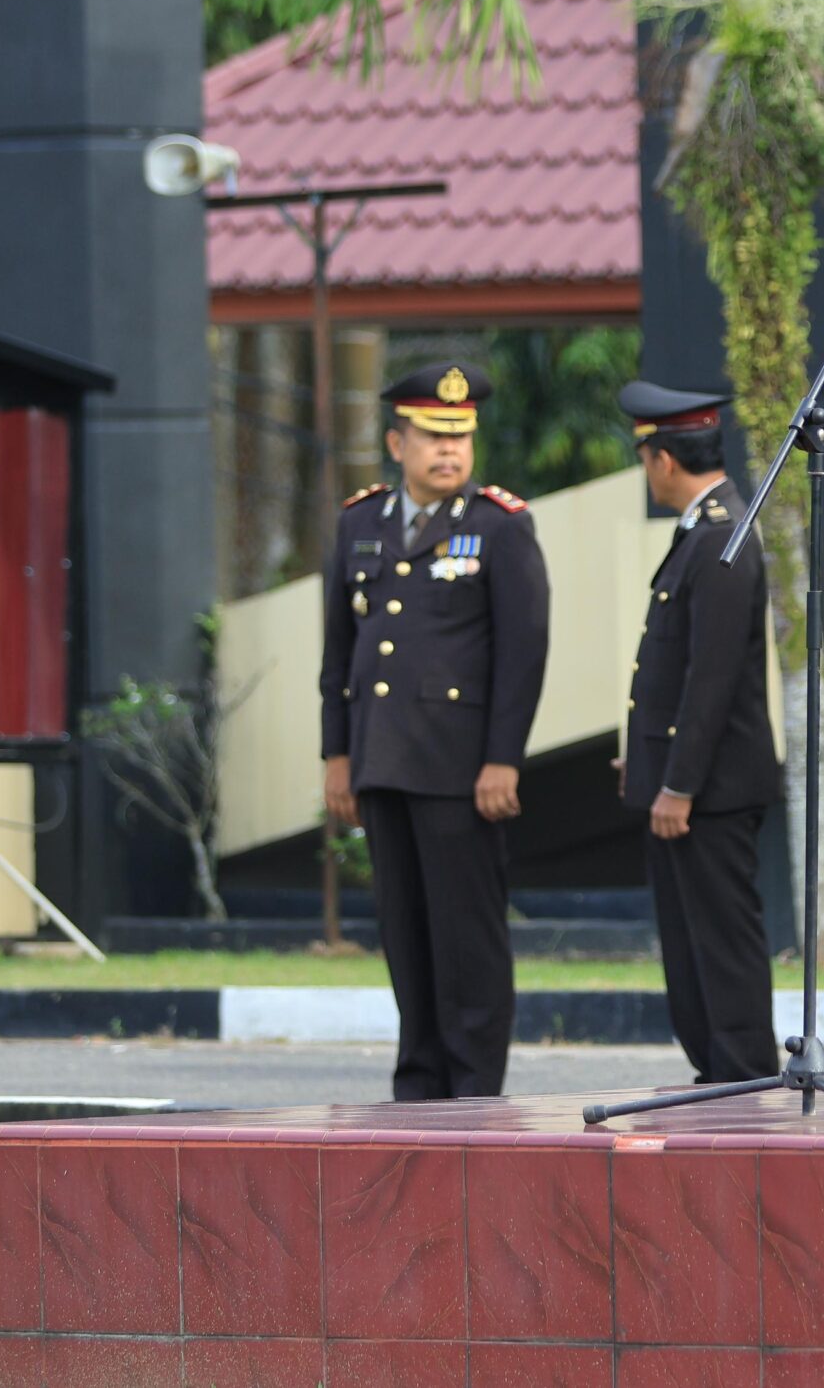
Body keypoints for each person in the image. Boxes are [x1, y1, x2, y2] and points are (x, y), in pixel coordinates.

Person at [319, 363, 550, 1100]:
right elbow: (338, 653)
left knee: (466, 936)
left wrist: (503, 760)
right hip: (382, 759)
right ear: (397, 441)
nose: (449, 451)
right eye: (432, 437)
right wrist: (337, 752)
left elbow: (523, 655)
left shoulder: (498, 525)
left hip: (460, 770)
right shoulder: (360, 523)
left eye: (460, 437)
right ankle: (419, 1082)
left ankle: (475, 1085)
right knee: (406, 933)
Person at [617, 380, 782, 1085]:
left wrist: (678, 783)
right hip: (685, 786)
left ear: (660, 459)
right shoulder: (705, 530)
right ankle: (717, 1070)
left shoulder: (721, 537)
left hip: (708, 791)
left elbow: (708, 682)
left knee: (721, 941)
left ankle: (741, 1073)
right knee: (690, 945)